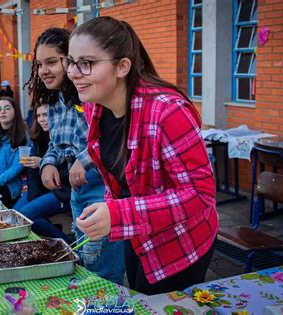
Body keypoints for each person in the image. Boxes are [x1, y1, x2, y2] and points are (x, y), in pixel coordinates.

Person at [68, 17, 218, 295]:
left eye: (86, 63)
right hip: (138, 233)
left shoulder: (168, 112)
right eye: (71, 62)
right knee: (137, 294)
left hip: (181, 241)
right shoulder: (94, 107)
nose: (74, 73)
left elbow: (200, 194)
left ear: (122, 66)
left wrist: (119, 213)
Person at [29, 28, 125, 284]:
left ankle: (108, 309)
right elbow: (56, 145)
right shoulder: (55, 100)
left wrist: (83, 160)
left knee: (103, 268)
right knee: (86, 258)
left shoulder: (93, 94)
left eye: (52, 62)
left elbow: (112, 137)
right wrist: (48, 163)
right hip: (77, 190)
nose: (44, 70)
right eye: (40, 64)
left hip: (101, 188)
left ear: (70, 60)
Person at [14, 103, 71, 241]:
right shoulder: (38, 138)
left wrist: (43, 163)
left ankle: (66, 242)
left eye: (45, 115)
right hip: (40, 190)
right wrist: (34, 199)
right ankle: (52, 229)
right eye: (38, 116)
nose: (41, 119)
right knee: (13, 216)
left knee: (24, 217)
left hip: (63, 190)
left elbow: (69, 172)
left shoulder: (66, 136)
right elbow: (31, 175)